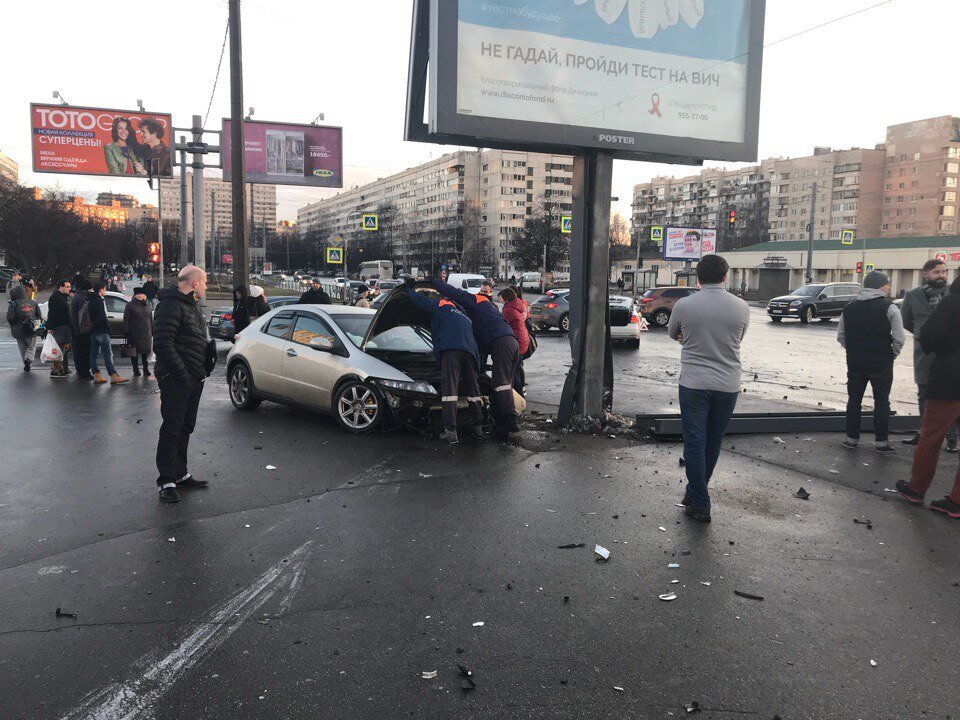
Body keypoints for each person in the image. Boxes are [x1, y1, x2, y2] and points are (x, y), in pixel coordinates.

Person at [667, 254, 750, 523]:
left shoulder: (685, 305)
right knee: (713, 442)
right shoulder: (741, 307)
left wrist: (687, 336)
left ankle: (701, 503)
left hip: (694, 383)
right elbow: (738, 338)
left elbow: (672, 333)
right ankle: (694, 492)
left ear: (698, 278)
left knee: (694, 442)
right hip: (728, 385)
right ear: (725, 276)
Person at [896, 274, 960, 518]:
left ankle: (916, 489)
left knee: (931, 438)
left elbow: (929, 338)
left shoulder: (952, 303)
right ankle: (956, 502)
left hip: (948, 382)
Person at [431, 276, 520, 439]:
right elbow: (479, 345)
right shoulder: (487, 308)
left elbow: (454, 292)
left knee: (501, 383)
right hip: (512, 341)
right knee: (506, 383)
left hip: (501, 342)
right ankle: (502, 423)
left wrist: (434, 282)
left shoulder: (474, 300)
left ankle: (510, 420)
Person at [153, 265, 212, 503]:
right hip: (177, 378)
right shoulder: (170, 305)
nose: (207, 287)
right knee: (172, 427)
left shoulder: (191, 306)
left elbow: (195, 340)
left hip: (193, 377)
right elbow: (163, 344)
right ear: (195, 283)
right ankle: (166, 481)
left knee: (185, 426)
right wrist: (182, 374)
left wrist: (202, 368)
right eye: (205, 282)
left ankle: (180, 472)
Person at [403, 280, 483, 443]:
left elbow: (419, 301)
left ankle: (450, 431)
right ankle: (478, 427)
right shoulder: (462, 313)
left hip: (451, 349)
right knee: (473, 389)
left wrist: (408, 289)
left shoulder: (441, 306)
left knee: (450, 389)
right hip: (470, 352)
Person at [837, 271, 905, 453]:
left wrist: (853, 350)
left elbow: (841, 336)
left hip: (855, 362)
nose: (889, 287)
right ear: (880, 286)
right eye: (887, 284)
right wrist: (892, 354)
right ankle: (881, 443)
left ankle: (851, 440)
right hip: (881, 362)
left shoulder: (849, 308)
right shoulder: (889, 307)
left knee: (854, 400)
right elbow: (899, 338)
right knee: (881, 401)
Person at [900, 259, 958, 452]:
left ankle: (951, 437)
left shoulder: (953, 294)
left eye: (943, 272)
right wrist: (921, 334)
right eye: (936, 272)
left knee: (951, 395)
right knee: (924, 393)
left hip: (950, 353)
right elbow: (906, 321)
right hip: (924, 353)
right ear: (925, 274)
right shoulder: (912, 296)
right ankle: (925, 433)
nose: (941, 275)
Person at [87, 281, 128, 385]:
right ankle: (113, 375)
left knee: (94, 353)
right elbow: (102, 317)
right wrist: (108, 328)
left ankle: (96, 375)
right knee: (107, 353)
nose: (105, 291)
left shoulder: (90, 299)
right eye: (105, 289)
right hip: (101, 330)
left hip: (93, 330)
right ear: (101, 289)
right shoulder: (98, 300)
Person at [499, 287, 529, 396]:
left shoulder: (508, 309)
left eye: (501, 298)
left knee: (513, 370)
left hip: (517, 341)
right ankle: (521, 390)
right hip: (522, 339)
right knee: (518, 367)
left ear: (506, 298)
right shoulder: (519, 304)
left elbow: (501, 324)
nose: (500, 300)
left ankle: (518, 395)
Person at [8, 285, 41, 372]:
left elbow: (10, 317)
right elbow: (39, 315)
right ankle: (28, 359)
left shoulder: (13, 304)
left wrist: (14, 325)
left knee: (22, 347)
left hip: (18, 330)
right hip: (30, 328)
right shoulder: (33, 302)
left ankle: (25, 362)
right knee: (31, 346)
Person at [123, 287, 154, 377]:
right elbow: (126, 319)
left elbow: (150, 319)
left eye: (142, 294)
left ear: (145, 295)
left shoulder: (147, 304)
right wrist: (126, 331)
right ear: (135, 295)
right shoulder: (130, 305)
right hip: (134, 333)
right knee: (134, 352)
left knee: (145, 353)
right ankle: (135, 369)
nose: (140, 296)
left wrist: (152, 330)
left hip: (146, 333)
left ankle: (145, 369)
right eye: (138, 294)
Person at [46, 280, 73, 377]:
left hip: (64, 326)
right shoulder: (55, 297)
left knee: (63, 347)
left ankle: (59, 368)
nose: (69, 288)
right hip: (58, 326)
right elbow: (52, 313)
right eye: (67, 286)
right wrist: (50, 327)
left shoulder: (63, 297)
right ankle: (55, 370)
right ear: (60, 287)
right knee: (59, 348)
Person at [70, 280, 93, 380]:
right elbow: (84, 316)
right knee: (84, 352)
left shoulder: (77, 296)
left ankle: (80, 371)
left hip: (76, 329)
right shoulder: (83, 298)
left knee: (78, 352)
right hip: (82, 330)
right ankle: (84, 373)